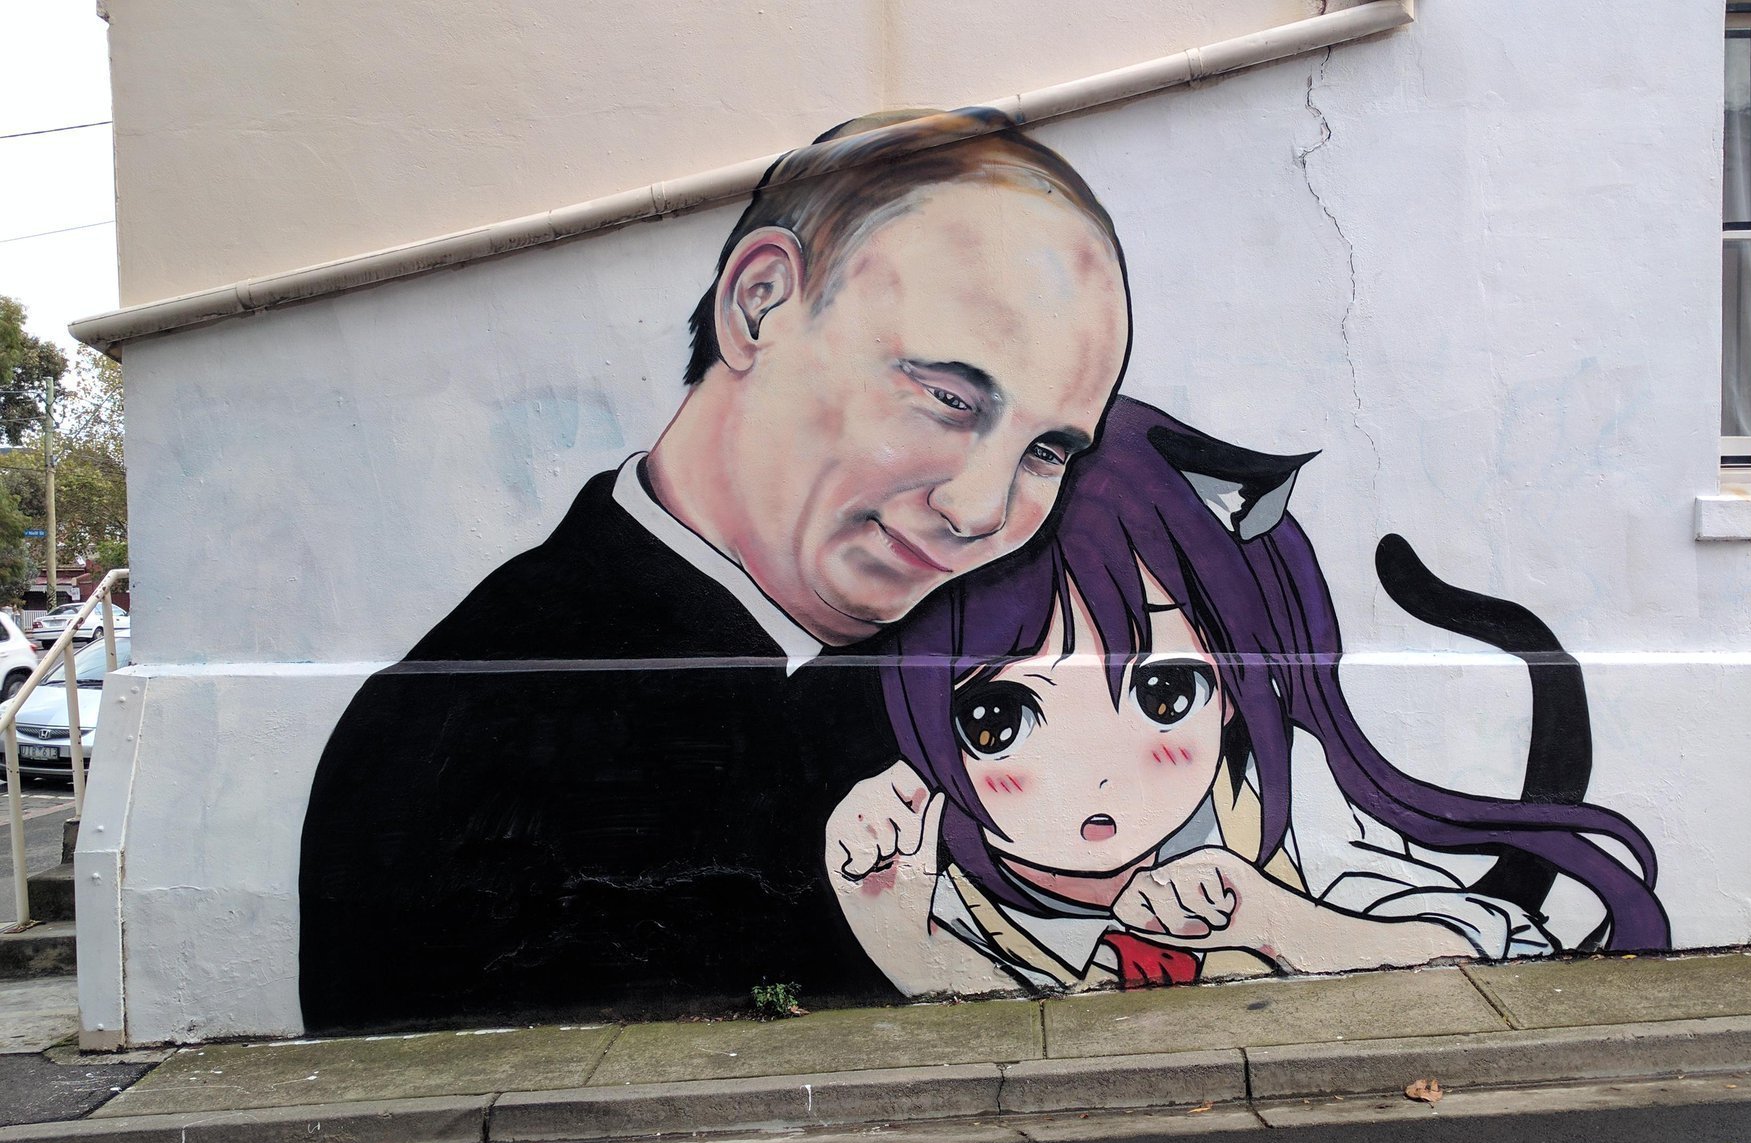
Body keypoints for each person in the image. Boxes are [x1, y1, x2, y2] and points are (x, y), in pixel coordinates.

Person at [296, 107, 1133, 1030]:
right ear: (758, 303)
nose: (980, 511)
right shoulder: (462, 731)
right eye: (947, 397)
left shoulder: (957, 676)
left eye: (1047, 452)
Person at [826, 399, 1670, 995]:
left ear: (1230, 692)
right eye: (997, 718)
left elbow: (1495, 944)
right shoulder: (939, 893)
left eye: (1164, 692)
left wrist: (1278, 922)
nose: (1099, 779)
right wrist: (901, 934)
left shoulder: (1273, 822)